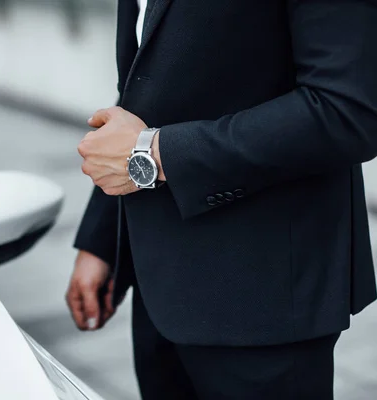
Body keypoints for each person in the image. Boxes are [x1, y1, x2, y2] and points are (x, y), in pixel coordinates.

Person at [65, 0, 377, 399]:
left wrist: (155, 155)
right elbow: (147, 82)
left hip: (265, 299)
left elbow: (345, 110)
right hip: (158, 285)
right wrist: (101, 240)